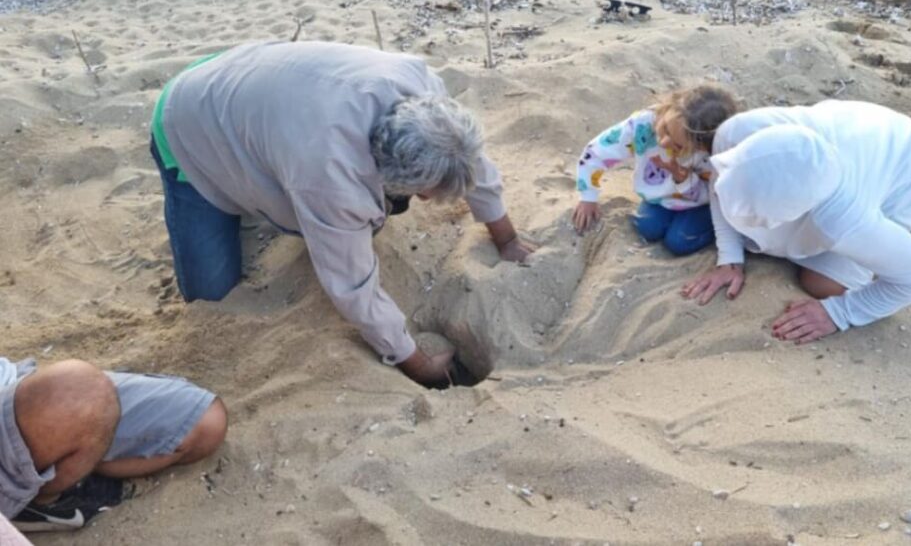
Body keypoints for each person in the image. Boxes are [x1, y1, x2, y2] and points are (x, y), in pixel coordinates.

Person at [150, 41, 535, 388]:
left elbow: (472, 166)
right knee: (211, 293)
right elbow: (352, 286)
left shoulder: (428, 97)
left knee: (338, 215)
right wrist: (418, 365)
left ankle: (263, 180)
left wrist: (508, 239)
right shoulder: (328, 174)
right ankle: (238, 195)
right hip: (191, 122)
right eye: (425, 194)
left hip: (254, 82)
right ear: (395, 176)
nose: (425, 200)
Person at [682, 99, 911, 342]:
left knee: (823, 285)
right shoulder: (736, 132)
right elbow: (721, 186)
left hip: (905, 173)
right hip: (860, 124)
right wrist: (730, 258)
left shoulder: (844, 219)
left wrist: (839, 313)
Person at [0, 357, 227, 532]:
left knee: (206, 424)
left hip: (11, 383)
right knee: (84, 388)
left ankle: (67, 462)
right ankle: (41, 501)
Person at [571, 85, 739, 255]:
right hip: (659, 198)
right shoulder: (644, 124)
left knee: (679, 242)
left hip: (700, 203)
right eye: (665, 128)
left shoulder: (713, 154)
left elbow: (716, 192)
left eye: (678, 145)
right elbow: (596, 153)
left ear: (703, 147)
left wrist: (684, 180)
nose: (663, 142)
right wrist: (588, 197)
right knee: (648, 228)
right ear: (667, 109)